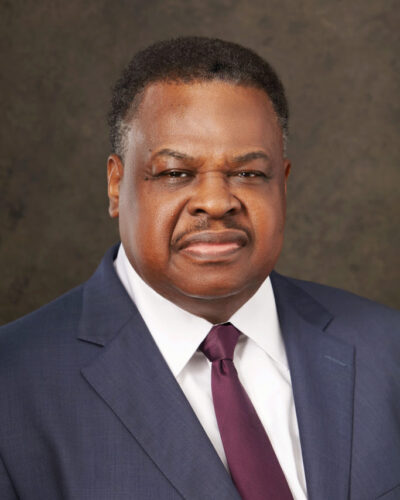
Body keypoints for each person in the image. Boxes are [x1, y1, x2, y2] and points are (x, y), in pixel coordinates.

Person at [0, 37, 399, 500]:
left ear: (282, 185)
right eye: (175, 173)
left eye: (248, 173)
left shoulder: (386, 349)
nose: (215, 202)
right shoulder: (12, 386)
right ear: (115, 184)